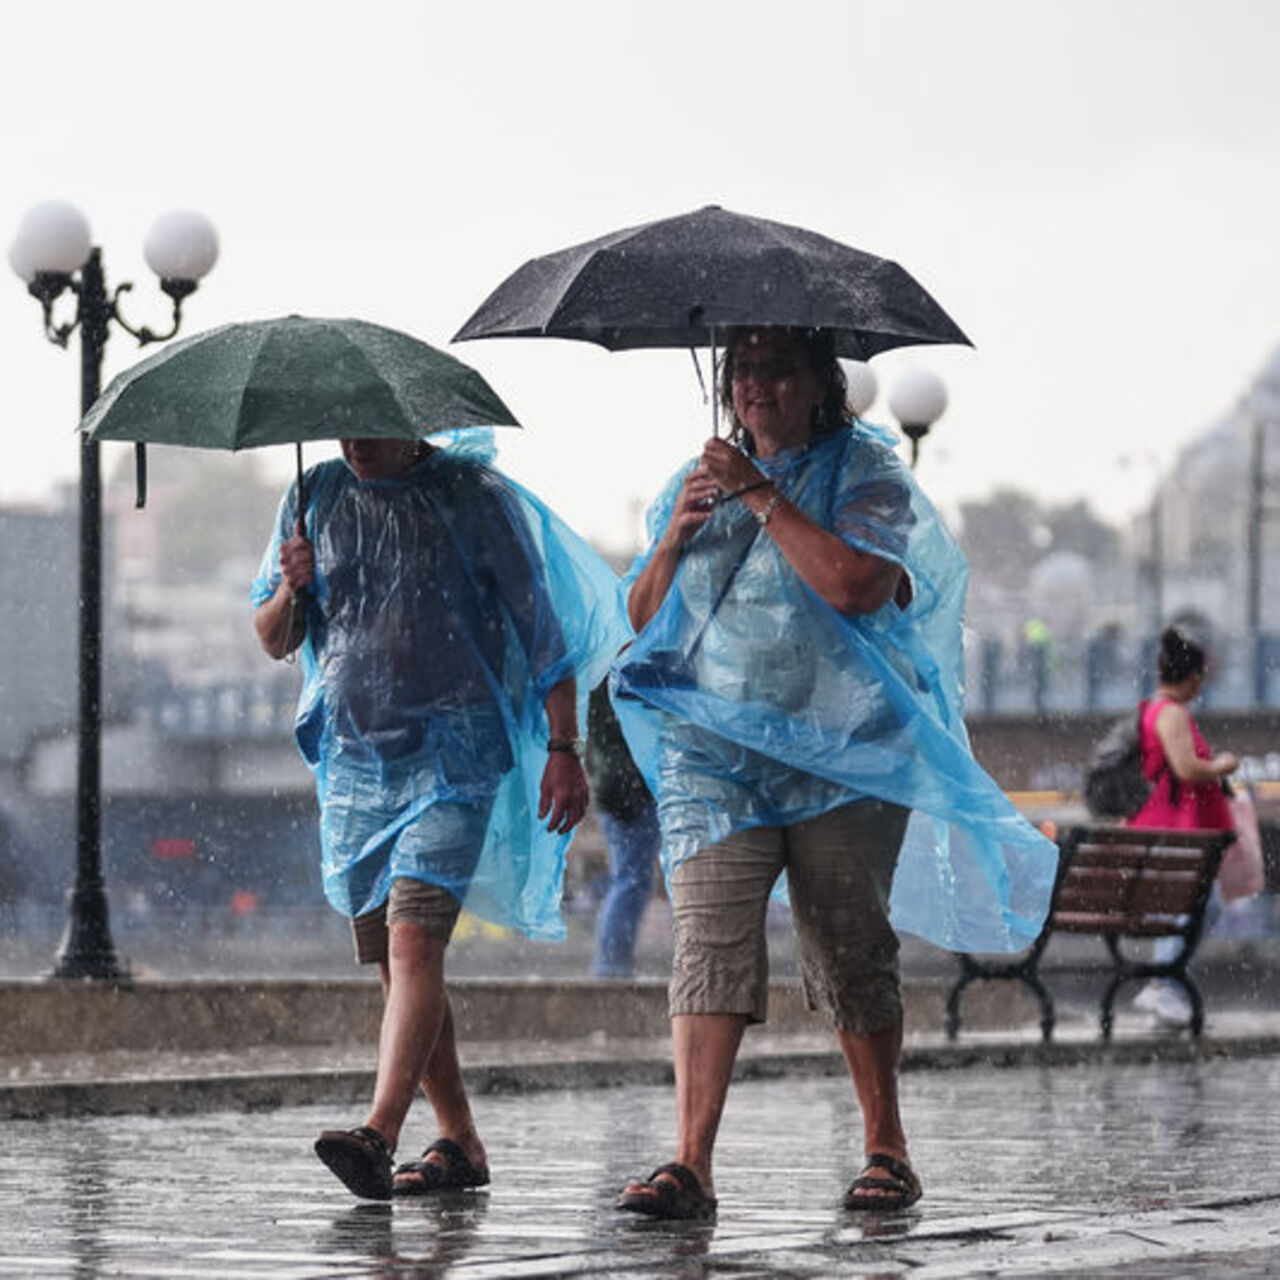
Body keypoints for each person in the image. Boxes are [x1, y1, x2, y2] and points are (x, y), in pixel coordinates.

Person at [609, 326, 1058, 1220]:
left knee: (848, 944)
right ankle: (691, 1161)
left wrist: (761, 496)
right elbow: (642, 613)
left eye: (776, 368)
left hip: (843, 753)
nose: (754, 386)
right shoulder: (693, 480)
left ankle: (885, 1144)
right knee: (707, 940)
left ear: (823, 382)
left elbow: (856, 585)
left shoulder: (872, 478)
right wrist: (673, 541)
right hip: (714, 755)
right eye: (742, 369)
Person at [252, 430, 625, 1200]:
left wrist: (564, 746)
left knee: (416, 941)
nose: (356, 441)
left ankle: (378, 1132)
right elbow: (273, 637)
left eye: (374, 425)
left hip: (453, 757)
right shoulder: (314, 496)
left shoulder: (472, 498)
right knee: (398, 967)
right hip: (357, 770)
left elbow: (542, 633)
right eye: (345, 424)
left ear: (415, 419)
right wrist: (293, 586)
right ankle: (459, 1140)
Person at [1127, 626, 1238, 1027]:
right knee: (1193, 906)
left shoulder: (1155, 710)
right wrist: (1222, 765)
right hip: (1175, 825)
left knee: (1189, 907)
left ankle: (1166, 987)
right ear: (1192, 678)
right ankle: (1163, 985)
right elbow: (1186, 768)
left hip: (1170, 824)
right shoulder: (1171, 713)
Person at [585, 682, 660, 978]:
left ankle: (612, 964)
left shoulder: (596, 673)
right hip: (629, 787)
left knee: (631, 876)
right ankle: (611, 966)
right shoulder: (617, 676)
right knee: (632, 878)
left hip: (613, 783)